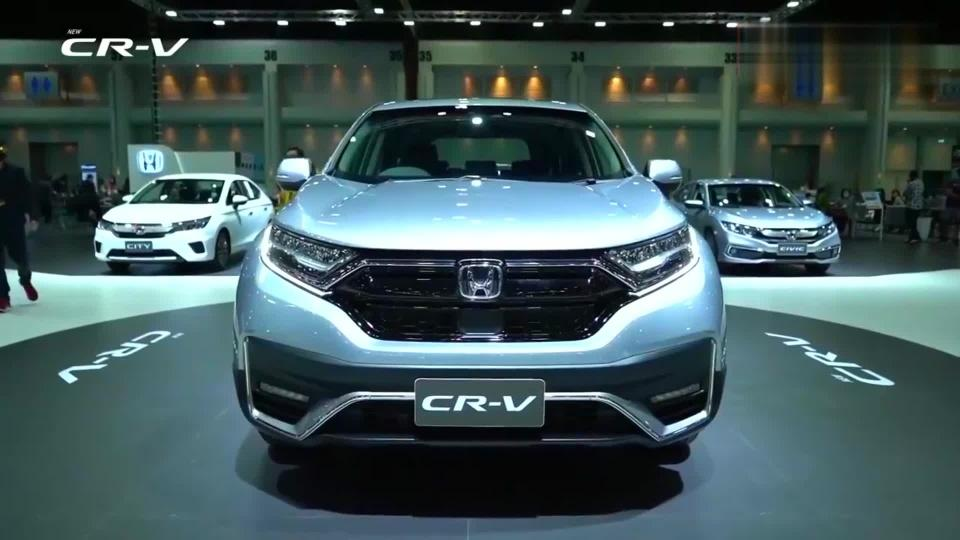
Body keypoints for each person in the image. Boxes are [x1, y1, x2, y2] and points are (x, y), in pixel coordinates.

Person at [0, 144, 39, 312]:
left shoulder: (16, 173)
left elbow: (28, 196)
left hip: (13, 220)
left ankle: (25, 280)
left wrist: (33, 216)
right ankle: (3, 297)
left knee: (20, 257)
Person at [903, 170, 925, 245]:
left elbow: (905, 193)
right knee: (914, 222)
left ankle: (915, 238)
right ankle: (913, 237)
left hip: (911, 205)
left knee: (911, 222)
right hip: (919, 205)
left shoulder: (911, 183)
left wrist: (908, 183)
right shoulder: (921, 182)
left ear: (911, 176)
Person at [941, 176, 960, 247]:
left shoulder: (953, 182)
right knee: (945, 221)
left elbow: (949, 193)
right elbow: (946, 192)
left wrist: (951, 194)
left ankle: (954, 239)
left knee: (957, 223)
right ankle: (945, 237)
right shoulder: (952, 181)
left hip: (956, 207)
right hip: (950, 206)